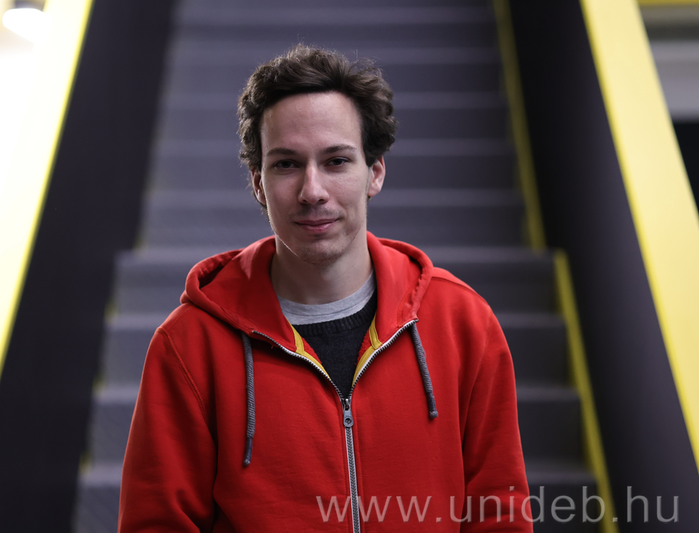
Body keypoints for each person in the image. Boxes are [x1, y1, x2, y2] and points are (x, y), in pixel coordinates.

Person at [119, 45, 532, 532]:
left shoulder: (461, 321)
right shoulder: (189, 344)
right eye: (286, 164)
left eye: (336, 161)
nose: (312, 191)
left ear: (374, 172)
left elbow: (499, 511)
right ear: (258, 182)